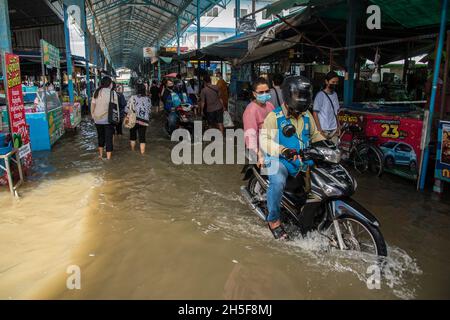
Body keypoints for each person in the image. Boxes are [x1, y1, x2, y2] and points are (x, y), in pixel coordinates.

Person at [260, 76, 325, 240]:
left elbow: (315, 135)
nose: (300, 101)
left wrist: (327, 146)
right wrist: (283, 150)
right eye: (297, 96)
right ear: (289, 97)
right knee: (278, 182)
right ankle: (273, 220)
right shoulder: (274, 117)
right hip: (279, 159)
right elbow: (264, 140)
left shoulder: (306, 115)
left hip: (302, 159)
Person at [243, 77, 275, 168]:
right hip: (258, 150)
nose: (264, 94)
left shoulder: (270, 105)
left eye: (267, 91)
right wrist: (258, 154)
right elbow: (250, 135)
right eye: (261, 92)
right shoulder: (251, 110)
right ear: (254, 94)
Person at [91, 76, 118, 160]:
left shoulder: (96, 92)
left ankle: (100, 155)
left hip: (97, 119)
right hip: (108, 120)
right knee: (109, 138)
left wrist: (92, 115)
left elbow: (92, 105)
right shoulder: (112, 93)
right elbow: (115, 108)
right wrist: (117, 120)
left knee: (100, 137)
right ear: (110, 84)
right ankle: (108, 158)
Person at [312, 71, 340, 144]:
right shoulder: (320, 95)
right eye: (333, 82)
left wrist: (338, 126)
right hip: (323, 130)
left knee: (334, 152)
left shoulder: (335, 94)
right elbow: (315, 113)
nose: (335, 84)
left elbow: (336, 112)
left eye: (336, 82)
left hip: (334, 129)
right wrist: (319, 130)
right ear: (326, 81)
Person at [125, 83, 152, 154]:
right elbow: (149, 110)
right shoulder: (148, 99)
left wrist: (127, 116)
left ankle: (133, 151)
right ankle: (142, 153)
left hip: (133, 120)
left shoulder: (132, 97)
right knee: (142, 137)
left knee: (132, 136)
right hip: (144, 121)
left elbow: (127, 109)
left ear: (137, 90)